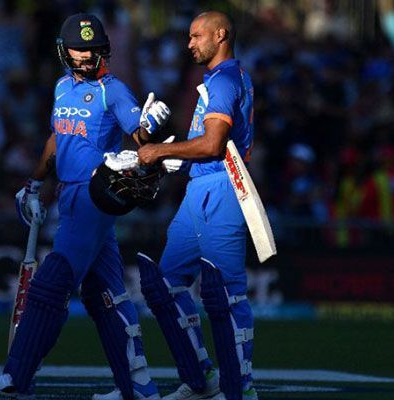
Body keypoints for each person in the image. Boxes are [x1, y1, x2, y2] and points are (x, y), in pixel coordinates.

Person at [0, 13, 170, 400]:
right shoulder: (63, 87)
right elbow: (56, 141)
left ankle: (17, 375)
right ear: (65, 51)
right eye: (78, 49)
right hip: (67, 194)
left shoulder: (113, 91)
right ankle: (138, 387)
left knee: (52, 282)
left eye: (92, 49)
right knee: (105, 295)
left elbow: (140, 135)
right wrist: (34, 184)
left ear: (104, 50)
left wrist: (153, 124)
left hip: (95, 194)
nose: (84, 56)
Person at [136, 11, 258, 400]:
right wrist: (177, 158)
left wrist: (158, 150)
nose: (189, 44)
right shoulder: (218, 80)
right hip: (200, 190)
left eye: (195, 36)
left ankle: (241, 388)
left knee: (227, 294)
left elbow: (213, 145)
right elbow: (203, 148)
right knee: (166, 284)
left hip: (222, 190)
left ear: (220, 35)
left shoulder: (223, 80)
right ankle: (200, 376)